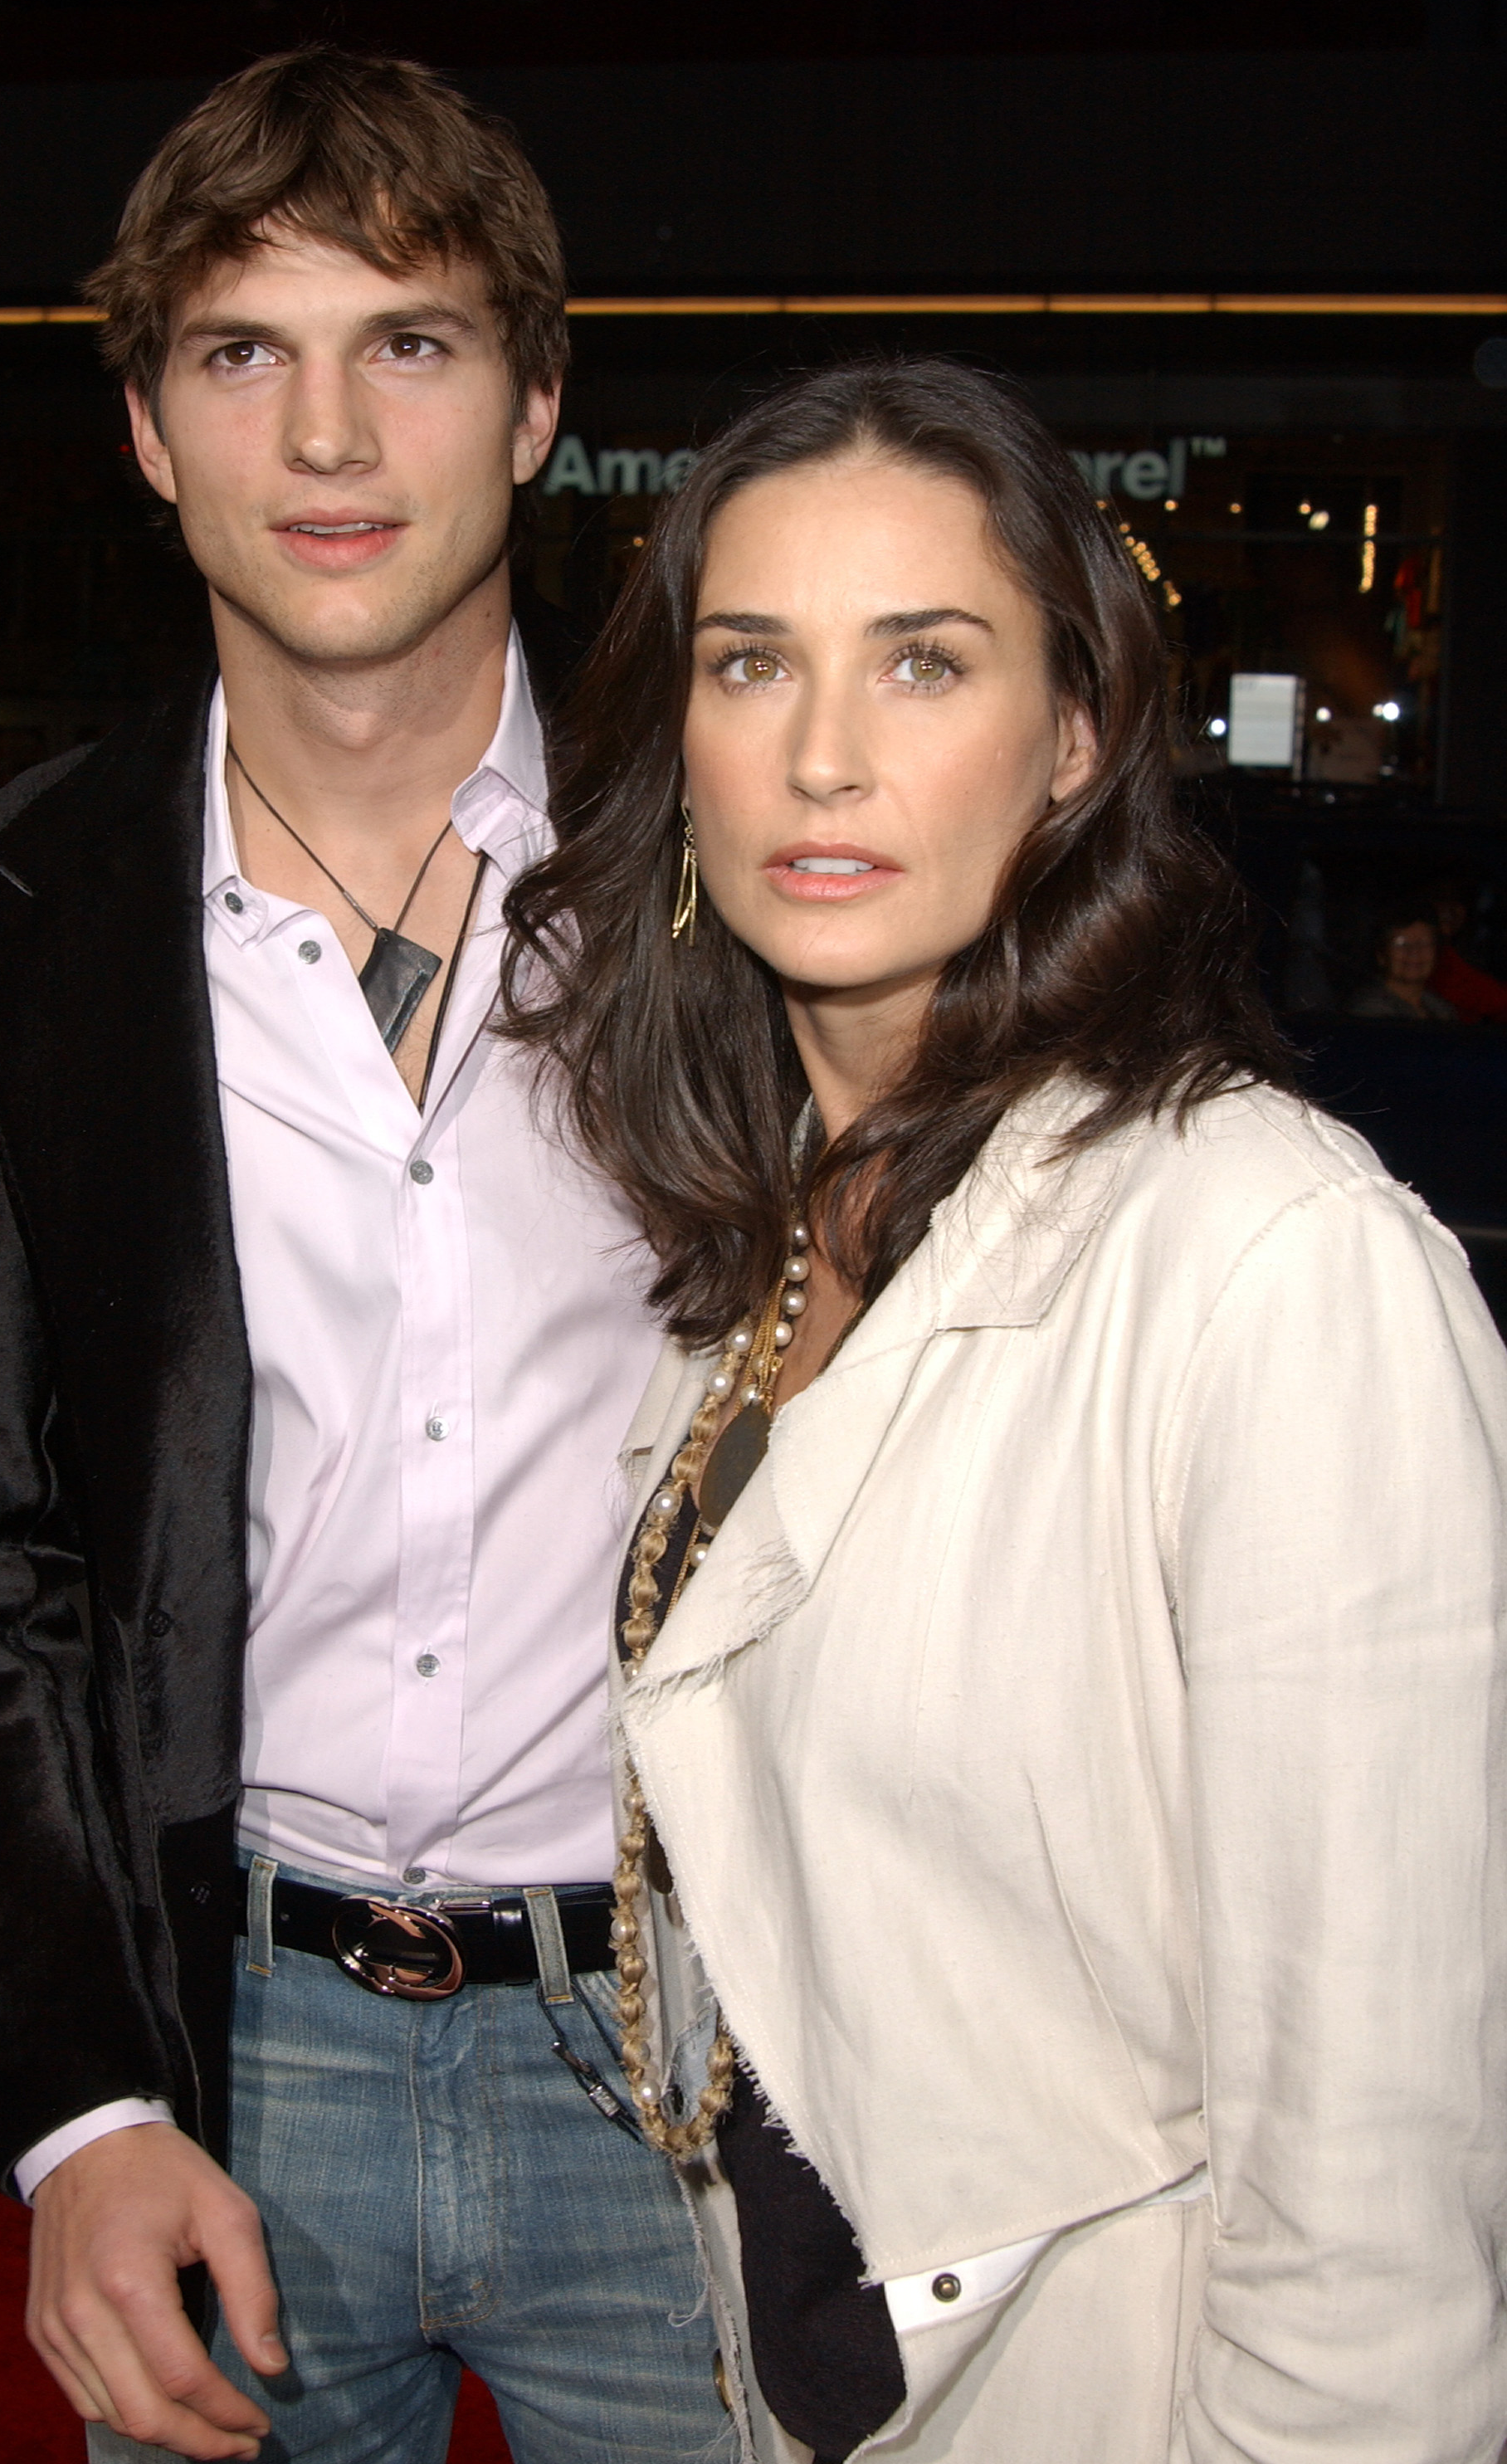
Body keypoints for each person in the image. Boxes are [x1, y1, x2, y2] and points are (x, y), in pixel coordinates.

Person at [0, 45, 733, 2464]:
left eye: (407, 342)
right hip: (227, 2054)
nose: (326, 434)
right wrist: (75, 2105)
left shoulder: (736, 860)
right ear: (150, 431)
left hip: (703, 2049)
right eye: (244, 352)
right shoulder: (3, 909)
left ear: (535, 405)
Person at [503, 358, 1507, 2462]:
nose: (823, 753)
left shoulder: (1270, 1261)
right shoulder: (758, 1245)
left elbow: (1381, 2185)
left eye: (923, 662)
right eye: (750, 662)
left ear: (1072, 736)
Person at [1347, 905, 1458, 1020]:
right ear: (1381, 955)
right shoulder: (1371, 1012)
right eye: (1401, 943)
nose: (1414, 952)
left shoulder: (1442, 1010)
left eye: (1424, 943)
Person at [1427, 874, 1507, 1022]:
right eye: (1440, 899)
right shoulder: (1426, 958)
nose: (1449, 909)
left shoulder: (1479, 952)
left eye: (1458, 901)